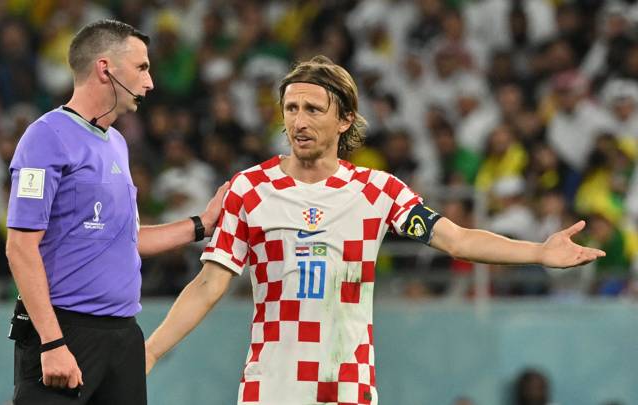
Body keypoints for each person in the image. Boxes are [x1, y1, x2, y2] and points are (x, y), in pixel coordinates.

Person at [144, 55, 605, 404]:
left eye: (312, 109)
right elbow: (208, 284)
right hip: (270, 384)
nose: (298, 121)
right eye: (291, 108)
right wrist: (151, 351)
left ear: (345, 119)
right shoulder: (251, 188)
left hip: (348, 384)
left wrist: (539, 253)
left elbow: (457, 239)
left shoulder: (376, 190)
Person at [5, 20, 227, 405]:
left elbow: (123, 238)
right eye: (142, 68)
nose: (150, 82)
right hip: (67, 333)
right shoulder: (46, 137)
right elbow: (20, 247)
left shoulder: (117, 143)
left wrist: (200, 225)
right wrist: (52, 341)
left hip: (123, 334)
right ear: (105, 68)